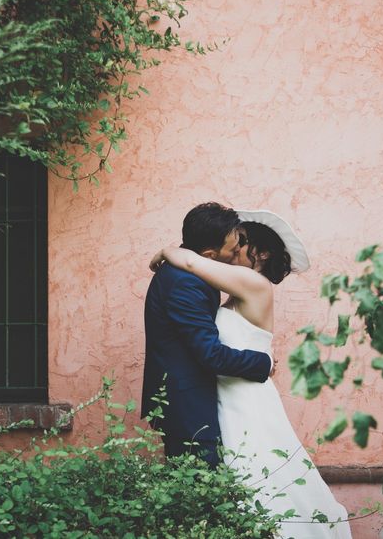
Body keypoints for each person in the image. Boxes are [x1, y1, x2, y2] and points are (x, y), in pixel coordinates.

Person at [150, 210, 352, 539]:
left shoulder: (255, 284)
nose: (235, 248)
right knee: (243, 480)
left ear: (262, 253)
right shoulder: (233, 289)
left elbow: (191, 263)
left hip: (246, 399)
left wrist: (168, 251)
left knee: (258, 476)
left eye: (242, 243)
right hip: (227, 397)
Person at [141, 202, 276, 469]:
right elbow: (211, 354)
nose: (239, 252)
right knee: (200, 491)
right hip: (188, 406)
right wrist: (264, 363)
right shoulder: (185, 283)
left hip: (201, 400)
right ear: (209, 254)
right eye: (234, 249)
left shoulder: (194, 272)